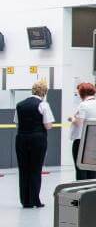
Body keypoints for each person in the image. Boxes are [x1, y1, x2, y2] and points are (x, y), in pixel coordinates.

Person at [15, 79, 55, 208]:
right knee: (35, 169)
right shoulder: (43, 104)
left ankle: (25, 201)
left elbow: (17, 122)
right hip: (37, 139)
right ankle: (35, 200)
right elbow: (48, 126)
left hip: (21, 138)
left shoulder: (20, 104)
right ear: (44, 92)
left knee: (24, 169)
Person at [68, 82, 96, 180]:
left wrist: (72, 119)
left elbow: (79, 123)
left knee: (81, 169)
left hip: (81, 141)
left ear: (81, 93)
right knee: (92, 168)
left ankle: (82, 191)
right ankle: (92, 192)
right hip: (95, 141)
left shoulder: (83, 105)